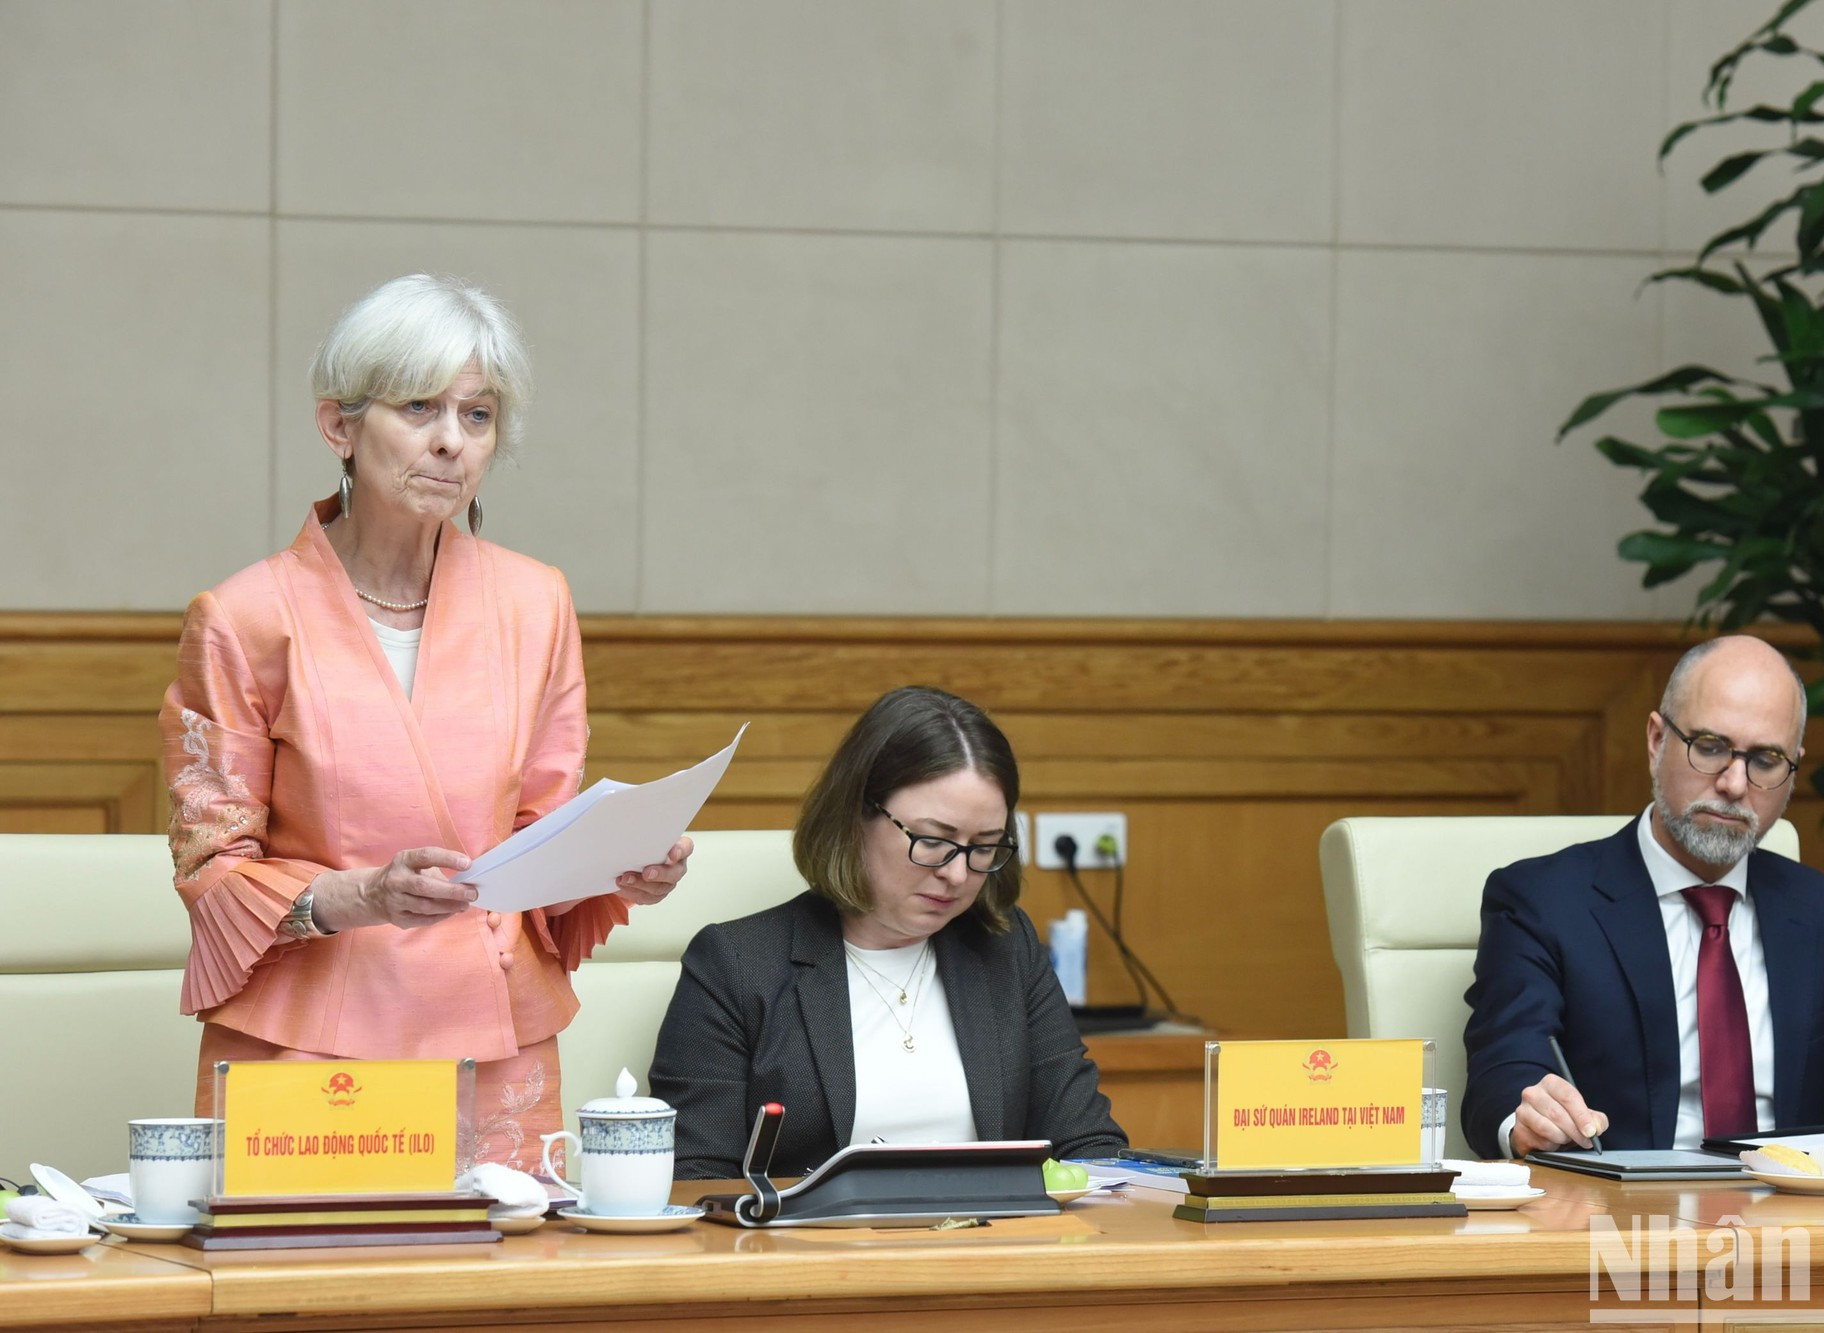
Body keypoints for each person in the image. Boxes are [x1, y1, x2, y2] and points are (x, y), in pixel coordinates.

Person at [162, 273, 691, 1169]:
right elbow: (212, 866)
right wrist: (363, 895)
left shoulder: (536, 601)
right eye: (419, 408)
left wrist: (617, 866)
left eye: (478, 416)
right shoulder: (245, 616)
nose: (451, 442)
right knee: (309, 1298)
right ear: (340, 425)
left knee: (500, 1296)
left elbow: (542, 833)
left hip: (491, 1033)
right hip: (309, 1037)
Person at [1462, 635, 1824, 1157]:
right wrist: (1525, 1118)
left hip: (1793, 1226)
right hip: (1620, 1223)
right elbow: (1505, 1073)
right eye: (1710, 747)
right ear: (1655, 740)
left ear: (1793, 771)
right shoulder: (1544, 902)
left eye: (1765, 760)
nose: (1735, 783)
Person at [650, 685, 1127, 1178]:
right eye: (933, 840)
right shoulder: (737, 964)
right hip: (813, 1250)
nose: (958, 875)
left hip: (991, 1246)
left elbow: (1087, 1142)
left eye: (984, 846)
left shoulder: (1006, 949)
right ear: (857, 816)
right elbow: (695, 1173)